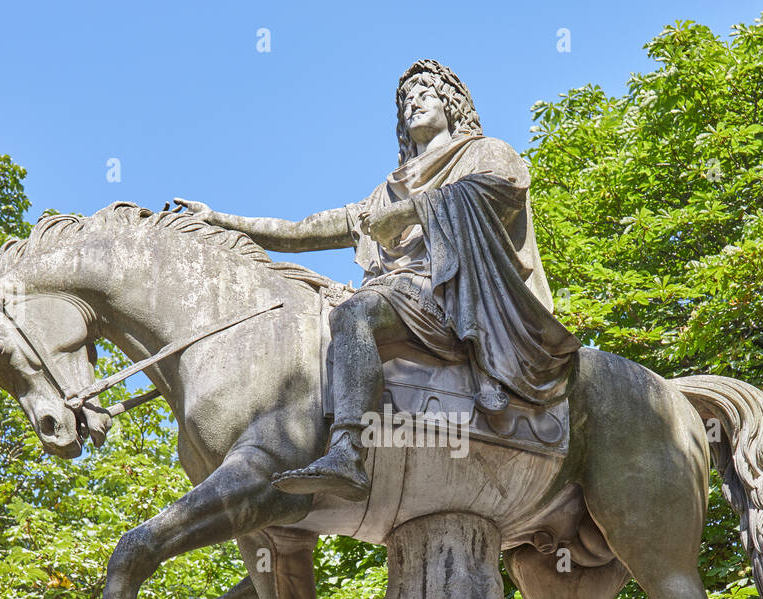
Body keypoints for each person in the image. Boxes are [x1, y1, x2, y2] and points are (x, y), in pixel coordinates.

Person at [174, 59, 579, 500]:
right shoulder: (387, 190)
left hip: (454, 296)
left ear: (451, 104)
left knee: (354, 314)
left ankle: (348, 451)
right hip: (402, 298)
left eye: (425, 94)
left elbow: (502, 188)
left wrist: (409, 212)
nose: (413, 103)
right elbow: (307, 228)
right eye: (406, 99)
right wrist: (221, 221)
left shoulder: (484, 152)